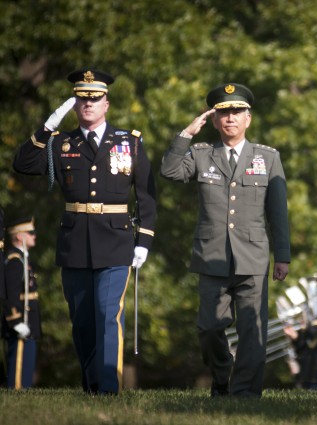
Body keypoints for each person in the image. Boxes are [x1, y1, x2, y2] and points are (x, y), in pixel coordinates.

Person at [13, 69, 157, 395]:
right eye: (82, 99)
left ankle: (108, 389)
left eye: (94, 98)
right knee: (82, 321)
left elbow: (147, 196)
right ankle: (92, 387)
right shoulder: (61, 142)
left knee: (108, 314)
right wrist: (48, 125)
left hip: (117, 240)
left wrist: (144, 241)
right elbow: (21, 164)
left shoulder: (129, 142)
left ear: (107, 103)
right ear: (75, 104)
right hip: (75, 241)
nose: (88, 104)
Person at [159, 83, 291, 398]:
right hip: (212, 256)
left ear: (248, 118)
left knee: (252, 331)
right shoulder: (202, 155)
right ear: (215, 120)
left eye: (236, 112)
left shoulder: (267, 158)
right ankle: (221, 376)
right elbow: (169, 170)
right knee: (208, 328)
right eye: (223, 113)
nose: (230, 118)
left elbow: (278, 212)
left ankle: (245, 394)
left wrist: (282, 255)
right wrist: (186, 134)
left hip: (252, 257)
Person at [1, 217, 41, 389]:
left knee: (25, 372)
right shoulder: (14, 261)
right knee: (18, 376)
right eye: (30, 233)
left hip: (29, 324)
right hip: (20, 324)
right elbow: (9, 295)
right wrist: (15, 321)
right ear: (19, 236)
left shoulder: (23, 259)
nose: (34, 236)